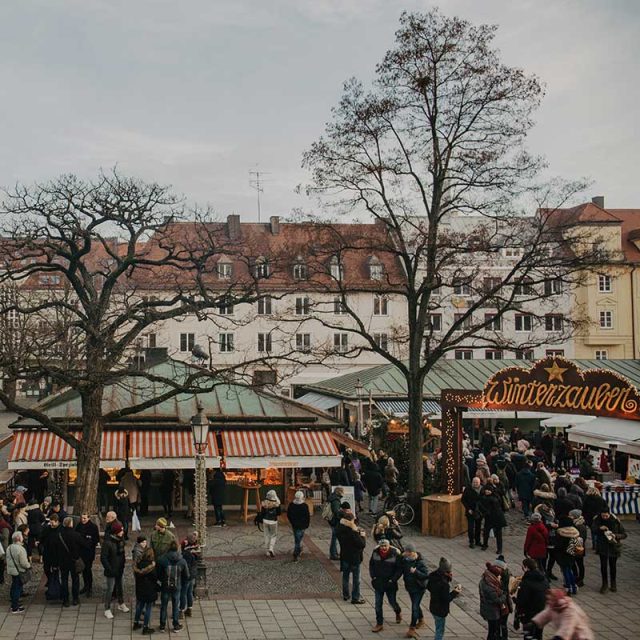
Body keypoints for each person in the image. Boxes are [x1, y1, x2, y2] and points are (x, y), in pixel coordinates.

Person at [527, 588, 594, 640]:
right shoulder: (553, 606)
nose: (548, 601)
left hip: (581, 637)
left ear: (555, 600)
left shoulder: (570, 611)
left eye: (549, 599)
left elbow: (566, 629)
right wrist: (533, 623)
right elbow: (544, 615)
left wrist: (557, 638)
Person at [369, 538, 402, 632]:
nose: (383, 548)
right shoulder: (375, 552)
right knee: (378, 604)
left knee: (392, 602)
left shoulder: (395, 554)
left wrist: (393, 579)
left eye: (385, 546)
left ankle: (398, 611)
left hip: (390, 584)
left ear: (389, 546)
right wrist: (373, 576)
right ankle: (379, 623)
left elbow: (399, 569)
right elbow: (371, 564)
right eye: (382, 546)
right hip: (378, 583)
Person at [592, 506, 626, 593]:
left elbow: (624, 534)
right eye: (603, 516)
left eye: (606, 516)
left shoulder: (615, 520)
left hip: (613, 546)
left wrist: (616, 535)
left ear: (609, 514)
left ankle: (613, 583)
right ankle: (604, 584)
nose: (605, 517)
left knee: (613, 566)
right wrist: (600, 528)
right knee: (603, 566)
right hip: (602, 546)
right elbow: (593, 530)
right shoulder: (597, 520)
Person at [426, 556, 461, 640]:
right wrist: (455, 592)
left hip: (433, 606)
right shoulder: (444, 584)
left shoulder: (433, 575)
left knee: (438, 626)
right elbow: (447, 599)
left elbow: (428, 587)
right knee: (440, 631)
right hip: (440, 610)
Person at [336, 510, 366, 605]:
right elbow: (361, 544)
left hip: (344, 556)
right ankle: (355, 597)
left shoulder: (340, 529)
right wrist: (362, 536)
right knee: (356, 579)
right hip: (354, 558)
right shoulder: (353, 532)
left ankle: (346, 594)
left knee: (345, 576)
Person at [157, 540, 188, 633]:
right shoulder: (182, 560)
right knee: (175, 605)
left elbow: (158, 573)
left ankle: (162, 625)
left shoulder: (162, 559)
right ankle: (175, 624)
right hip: (177, 585)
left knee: (164, 605)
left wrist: (162, 580)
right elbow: (186, 575)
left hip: (165, 585)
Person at [514, 558, 548, 640]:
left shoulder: (526, 583)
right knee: (538, 635)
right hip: (541, 613)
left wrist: (514, 599)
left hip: (529, 615)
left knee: (528, 636)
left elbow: (522, 601)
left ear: (526, 567)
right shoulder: (544, 580)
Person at [101, 521, 129, 619]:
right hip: (112, 570)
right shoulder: (108, 543)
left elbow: (122, 554)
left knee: (120, 587)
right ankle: (107, 608)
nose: (122, 532)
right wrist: (109, 569)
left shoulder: (120, 540)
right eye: (121, 530)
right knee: (110, 589)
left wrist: (123, 564)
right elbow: (103, 558)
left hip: (119, 568)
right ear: (115, 532)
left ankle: (121, 603)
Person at [400, 542, 428, 638]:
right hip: (410, 587)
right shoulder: (405, 560)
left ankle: (412, 628)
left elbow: (425, 575)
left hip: (419, 588)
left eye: (407, 552)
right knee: (416, 605)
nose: (405, 554)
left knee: (414, 607)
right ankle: (421, 619)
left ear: (412, 552)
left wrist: (416, 572)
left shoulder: (421, 562)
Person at [479, 561, 508, 640]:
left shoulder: (485, 580)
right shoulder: (490, 587)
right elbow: (497, 600)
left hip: (488, 609)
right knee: (492, 631)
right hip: (492, 612)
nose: (499, 577)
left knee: (492, 631)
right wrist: (504, 595)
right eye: (498, 576)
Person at [59, 516, 85, 607]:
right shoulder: (76, 535)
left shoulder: (60, 535)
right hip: (74, 560)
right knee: (75, 580)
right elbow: (83, 545)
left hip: (63, 561)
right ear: (71, 524)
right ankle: (75, 598)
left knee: (64, 580)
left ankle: (65, 600)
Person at [133, 546, 158, 635]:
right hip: (149, 590)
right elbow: (155, 578)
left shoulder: (138, 564)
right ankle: (145, 627)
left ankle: (136, 623)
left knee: (140, 605)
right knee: (148, 608)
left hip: (140, 588)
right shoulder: (151, 566)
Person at [555, 516, 580, 595]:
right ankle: (574, 587)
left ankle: (568, 587)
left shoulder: (561, 533)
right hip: (571, 554)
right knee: (570, 571)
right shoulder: (574, 532)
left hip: (563, 555)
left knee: (566, 572)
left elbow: (558, 545)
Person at [75, 513, 100, 596]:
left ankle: (89, 587)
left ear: (89, 518)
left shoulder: (93, 527)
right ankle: (86, 586)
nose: (83, 520)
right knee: (83, 570)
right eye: (82, 518)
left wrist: (88, 543)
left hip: (89, 552)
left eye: (84, 518)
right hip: (81, 552)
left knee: (88, 570)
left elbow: (96, 539)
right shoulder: (79, 526)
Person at [6, 531, 30, 613]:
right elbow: (23, 563)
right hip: (19, 571)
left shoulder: (9, 547)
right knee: (17, 588)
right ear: (19, 538)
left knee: (14, 586)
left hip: (12, 570)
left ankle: (14, 603)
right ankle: (15, 606)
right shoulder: (21, 549)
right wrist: (28, 566)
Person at [479, 486, 506, 555]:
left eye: (489, 490)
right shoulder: (483, 497)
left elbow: (498, 505)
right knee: (486, 532)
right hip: (489, 518)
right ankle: (485, 544)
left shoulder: (495, 497)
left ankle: (499, 548)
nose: (487, 491)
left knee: (498, 534)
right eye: (486, 490)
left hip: (497, 517)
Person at [287, 490, 310, 561]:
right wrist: (307, 524)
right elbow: (307, 516)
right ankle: (296, 553)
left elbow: (289, 515)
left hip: (295, 525)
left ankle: (298, 550)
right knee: (298, 539)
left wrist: (292, 521)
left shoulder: (291, 505)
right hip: (303, 525)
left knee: (297, 539)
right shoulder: (304, 506)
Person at [180, 532, 200, 617]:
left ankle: (181, 611)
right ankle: (189, 609)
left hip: (186, 576)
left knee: (183, 593)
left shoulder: (186, 554)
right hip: (192, 574)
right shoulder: (195, 552)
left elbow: (184, 566)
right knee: (190, 592)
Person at [462, 477, 482, 549]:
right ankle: (471, 542)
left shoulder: (482, 489)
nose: (475, 484)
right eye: (474, 482)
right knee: (470, 527)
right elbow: (463, 500)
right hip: (470, 511)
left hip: (479, 511)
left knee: (478, 527)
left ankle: (478, 541)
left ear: (479, 483)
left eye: (477, 482)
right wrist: (468, 509)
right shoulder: (468, 489)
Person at [260, 489, 281, 558]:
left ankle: (267, 551)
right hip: (273, 521)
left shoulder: (264, 503)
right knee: (273, 535)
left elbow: (262, 513)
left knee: (266, 535)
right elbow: (279, 513)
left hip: (265, 520)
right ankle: (271, 549)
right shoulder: (277, 504)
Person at [569, 509, 587, 587]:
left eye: (570, 515)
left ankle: (580, 579)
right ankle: (576, 576)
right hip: (573, 546)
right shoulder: (574, 524)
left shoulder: (580, 526)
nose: (569, 516)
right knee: (573, 563)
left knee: (580, 564)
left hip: (578, 547)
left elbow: (582, 538)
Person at [327, 486, 345, 560]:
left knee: (335, 538)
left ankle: (334, 552)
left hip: (332, 520)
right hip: (335, 521)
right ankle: (333, 554)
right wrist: (342, 516)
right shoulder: (336, 500)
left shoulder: (333, 497)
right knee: (335, 538)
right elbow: (336, 512)